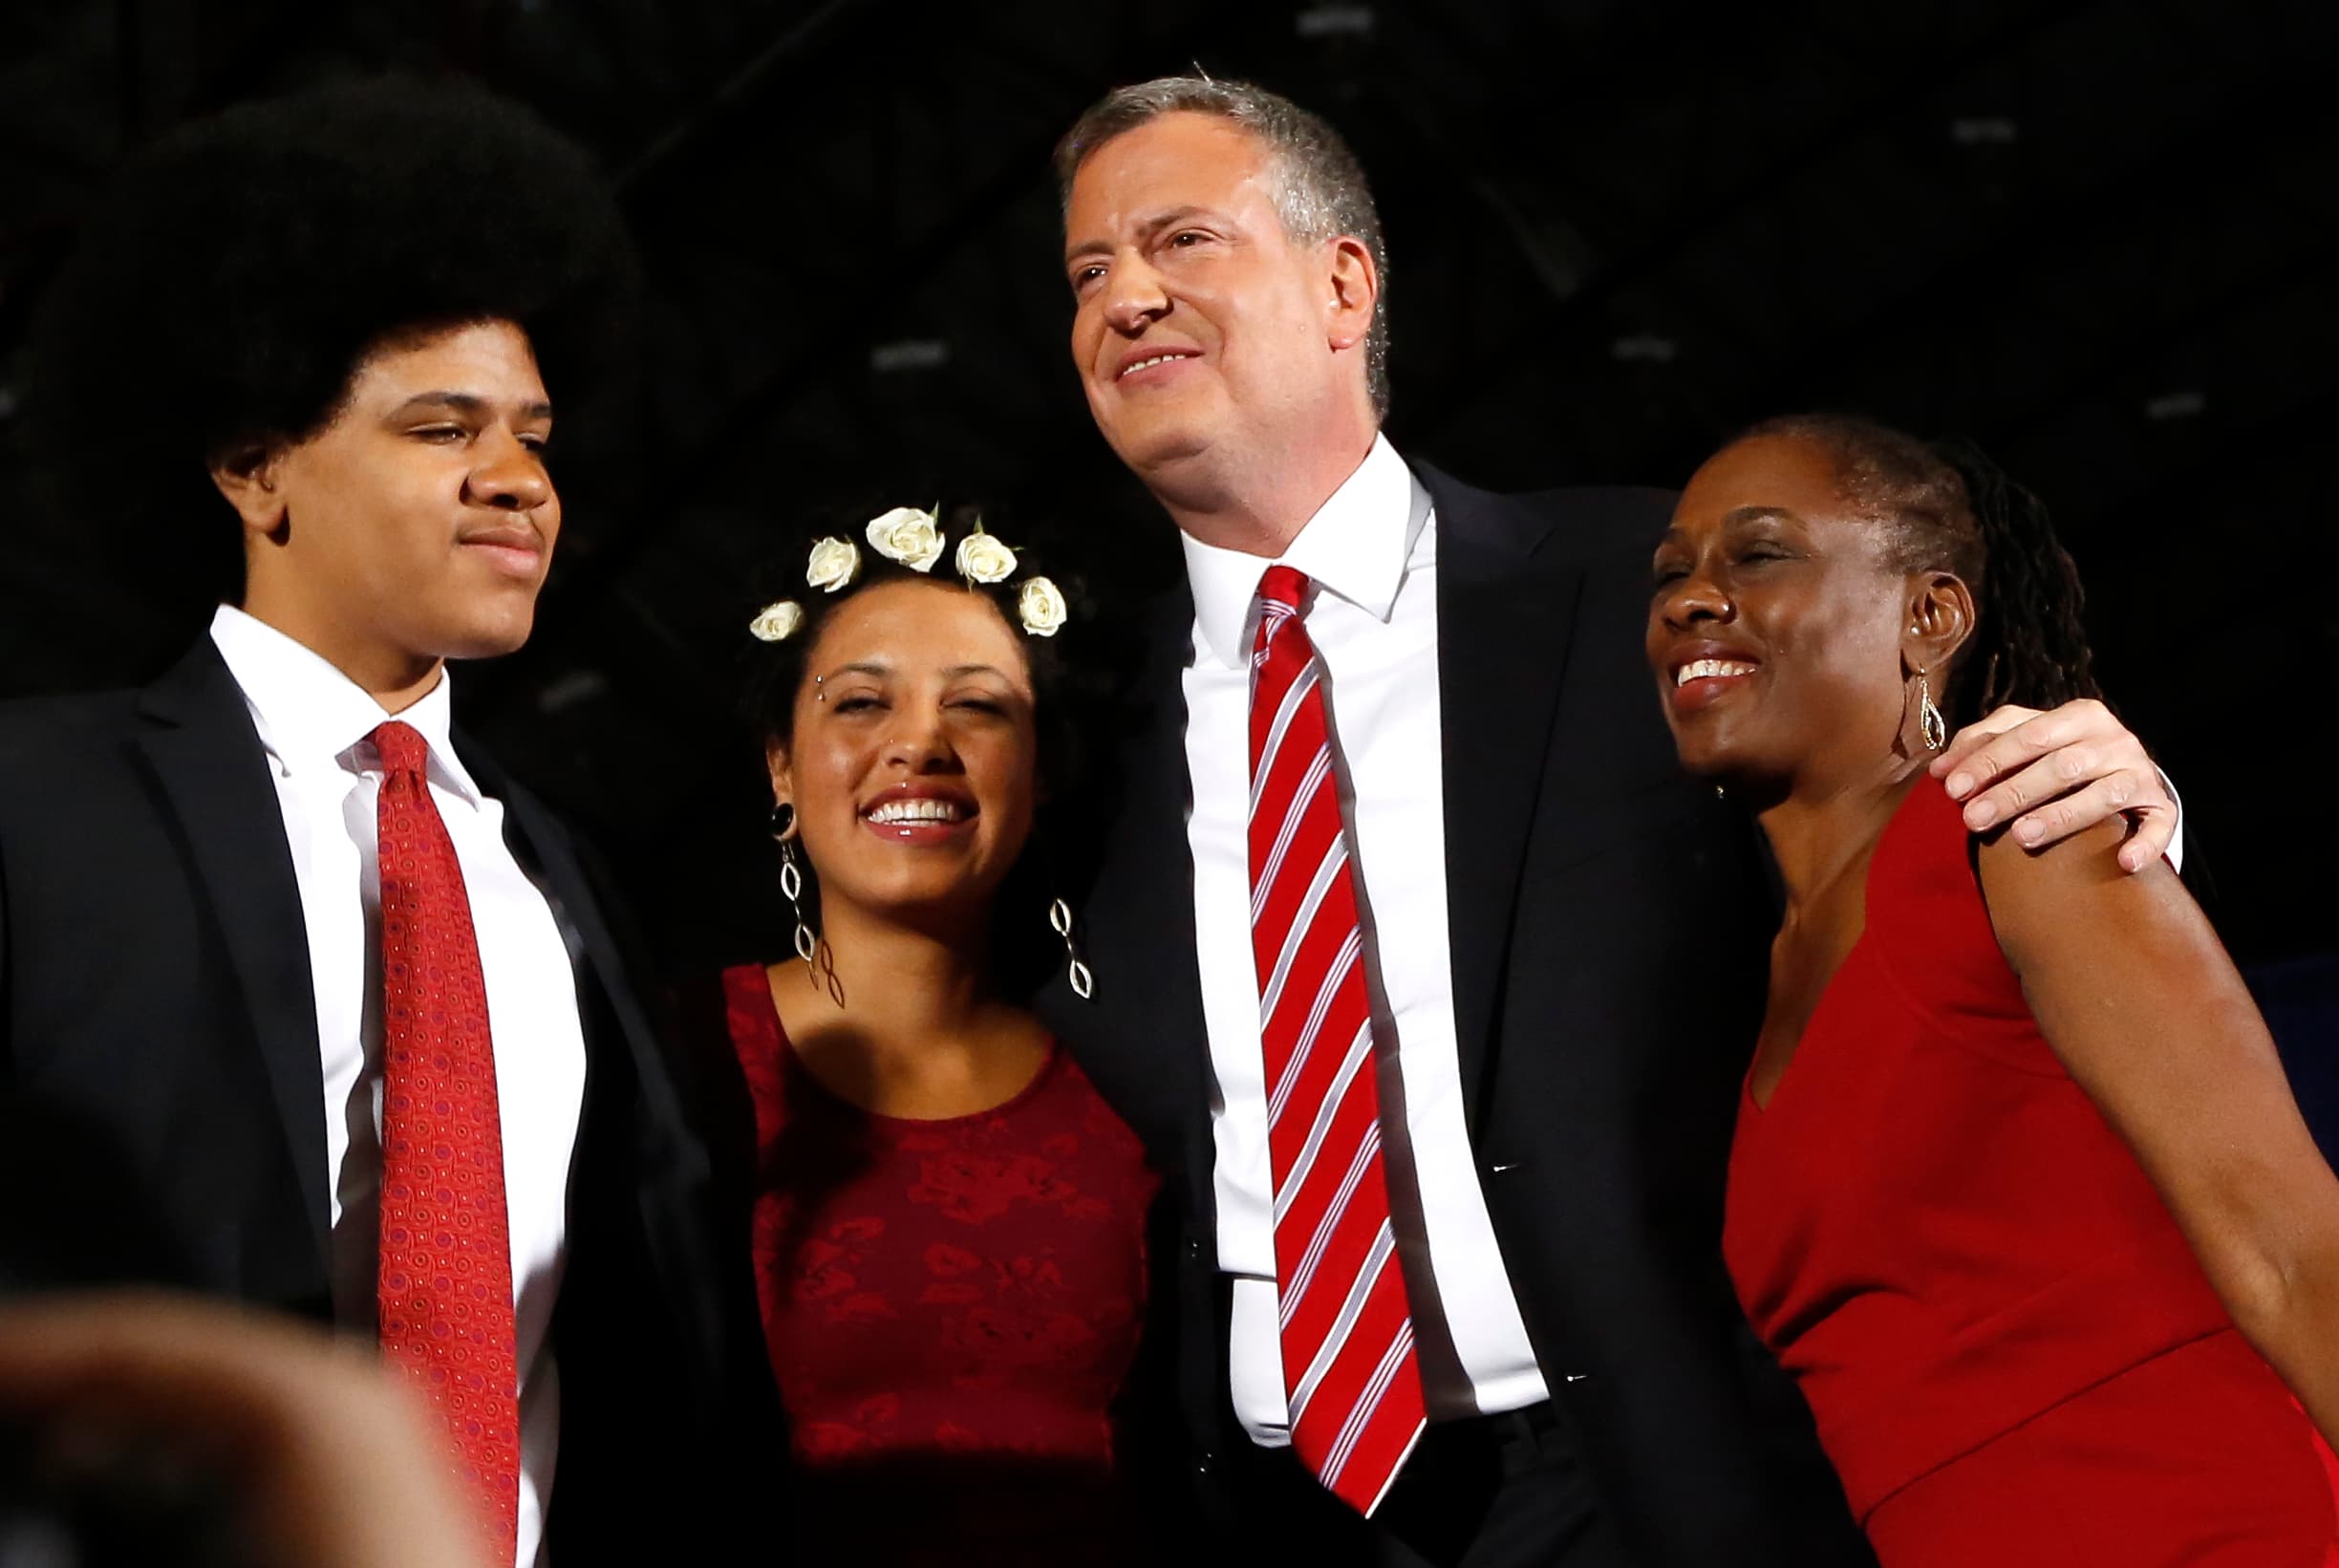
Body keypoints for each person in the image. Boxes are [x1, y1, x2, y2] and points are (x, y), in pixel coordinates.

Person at [1039, 76, 2185, 1567]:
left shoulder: (1648, 590)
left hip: (1651, 1487)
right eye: (1087, 273)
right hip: (1276, 1516)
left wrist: (2106, 807)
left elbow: (1935, 844)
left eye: (1181, 240)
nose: (1128, 298)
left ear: (1343, 283)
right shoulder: (1076, 733)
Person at [1, 81, 740, 1567]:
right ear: (252, 465)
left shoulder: (558, 874)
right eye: (438, 426)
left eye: (533, 432)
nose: (517, 479)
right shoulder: (35, 803)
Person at [1646, 415, 2339, 1565]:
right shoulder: (1735, 981)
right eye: (1671, 573)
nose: (1691, 598)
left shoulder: (2021, 841)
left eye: (1758, 554)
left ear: (1931, 616)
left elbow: (2291, 1248)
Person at [697, 506, 1173, 1565]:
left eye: (981, 709)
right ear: (781, 765)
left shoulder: (1134, 1075)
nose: (920, 744)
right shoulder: (678, 1062)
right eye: (863, 703)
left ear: (1041, 772)